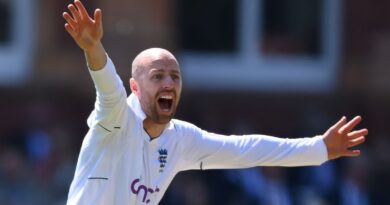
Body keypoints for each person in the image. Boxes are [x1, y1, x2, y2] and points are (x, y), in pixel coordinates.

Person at [62, 1, 368, 204]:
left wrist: (319, 148)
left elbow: (246, 149)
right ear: (135, 87)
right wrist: (93, 46)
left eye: (175, 77)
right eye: (157, 76)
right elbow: (108, 87)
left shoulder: (180, 139)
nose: (169, 83)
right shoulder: (115, 119)